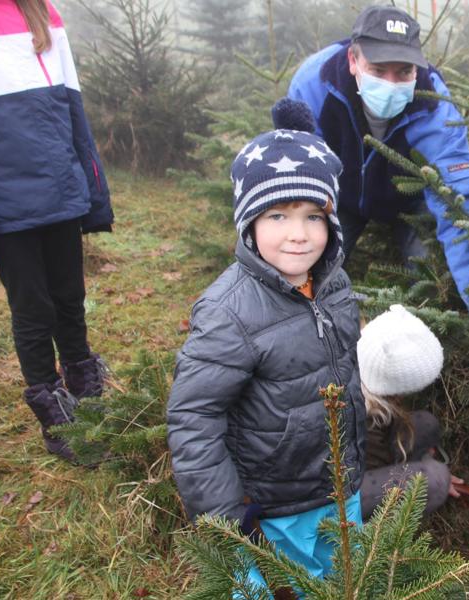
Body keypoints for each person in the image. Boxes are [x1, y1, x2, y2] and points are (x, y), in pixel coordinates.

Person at [167, 98, 365, 590]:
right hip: (271, 508)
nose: (298, 234)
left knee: (347, 580)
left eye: (313, 216)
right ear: (249, 223)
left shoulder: (336, 287)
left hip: (341, 490)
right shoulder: (228, 311)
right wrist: (228, 517)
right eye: (277, 216)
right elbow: (194, 417)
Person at [287, 5, 469, 379]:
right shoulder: (314, 84)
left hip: (407, 201)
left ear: (419, 67)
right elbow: (298, 182)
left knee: (429, 276)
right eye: (378, 71)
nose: (392, 83)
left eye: (404, 72)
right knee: (307, 269)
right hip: (339, 197)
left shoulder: (434, 103)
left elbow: (456, 207)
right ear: (353, 59)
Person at [0, 0, 113, 462]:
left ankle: (88, 394)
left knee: (69, 296)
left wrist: (90, 189)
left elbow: (72, 110)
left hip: (60, 192)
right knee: (32, 308)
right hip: (4, 203)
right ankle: (53, 411)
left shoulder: (42, 12)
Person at [356, 304, 462, 520]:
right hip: (332, 496)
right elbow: (358, 470)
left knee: (425, 423)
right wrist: (421, 479)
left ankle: (416, 475)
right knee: (436, 479)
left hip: (365, 459)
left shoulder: (364, 364)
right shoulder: (358, 409)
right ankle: (373, 537)